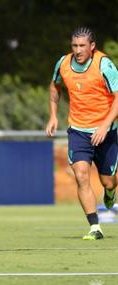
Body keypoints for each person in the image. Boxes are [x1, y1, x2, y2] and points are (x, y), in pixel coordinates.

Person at [46, 27, 118, 240]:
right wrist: (53, 115)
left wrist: (105, 126)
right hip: (77, 130)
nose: (77, 50)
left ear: (92, 46)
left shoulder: (104, 64)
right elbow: (54, 87)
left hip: (106, 131)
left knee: (108, 181)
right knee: (81, 175)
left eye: (82, 46)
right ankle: (95, 226)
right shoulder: (63, 63)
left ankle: (110, 194)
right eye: (74, 46)